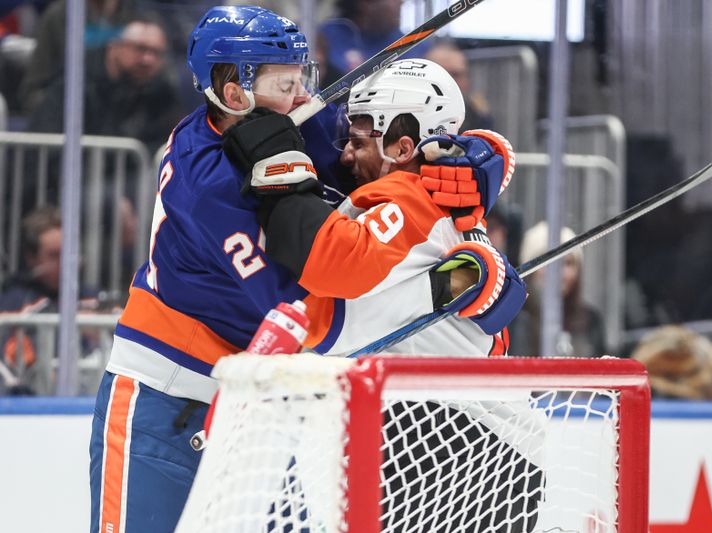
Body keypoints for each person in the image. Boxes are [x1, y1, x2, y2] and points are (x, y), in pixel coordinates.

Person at [88, 7, 518, 533]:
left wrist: (472, 158)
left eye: (303, 78)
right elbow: (304, 311)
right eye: (284, 82)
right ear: (233, 91)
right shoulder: (206, 183)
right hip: (167, 400)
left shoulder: (291, 122)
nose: (301, 97)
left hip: (264, 403)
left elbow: (383, 160)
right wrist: (442, 287)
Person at [223, 57, 538, 531]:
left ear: (403, 145)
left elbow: (330, 262)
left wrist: (281, 176)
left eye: (357, 141)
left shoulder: (411, 198)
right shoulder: (425, 196)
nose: (346, 155)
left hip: (463, 446)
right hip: (451, 444)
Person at [27, 12, 181, 153]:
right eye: (140, 49)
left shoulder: (161, 93)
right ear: (114, 47)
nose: (148, 60)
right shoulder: (74, 85)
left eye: (156, 53)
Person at [0, 206, 99, 395]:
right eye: (54, 255)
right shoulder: (13, 305)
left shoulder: (93, 298)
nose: (65, 263)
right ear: (31, 258)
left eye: (70, 253)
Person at [510, 221, 606, 356]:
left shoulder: (591, 321)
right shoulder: (510, 319)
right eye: (549, 263)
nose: (558, 272)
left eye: (567, 263)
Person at [316, 0, 431, 87]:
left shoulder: (400, 37)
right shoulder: (326, 36)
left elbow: (429, 55)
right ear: (365, 3)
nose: (401, 2)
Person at [425, 40, 494, 132]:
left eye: (457, 75)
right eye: (446, 74)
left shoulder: (478, 116)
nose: (452, 82)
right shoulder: (408, 115)